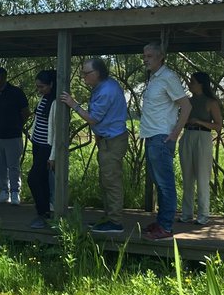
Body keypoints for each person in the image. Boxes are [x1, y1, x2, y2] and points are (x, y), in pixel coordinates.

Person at [59, 58, 129, 234]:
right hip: (107, 139)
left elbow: (93, 118)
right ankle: (109, 218)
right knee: (106, 180)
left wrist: (73, 104)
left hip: (113, 141)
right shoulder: (104, 86)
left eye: (86, 73)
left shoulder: (106, 91)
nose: (83, 77)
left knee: (111, 181)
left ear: (97, 73)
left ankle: (115, 222)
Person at [140, 43, 192, 242]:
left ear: (161, 57)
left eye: (150, 55)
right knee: (158, 182)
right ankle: (161, 222)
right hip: (151, 136)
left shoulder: (168, 77)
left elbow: (186, 106)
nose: (146, 59)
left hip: (162, 137)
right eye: (144, 55)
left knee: (165, 184)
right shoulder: (154, 78)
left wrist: (175, 133)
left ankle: (166, 226)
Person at [179, 71, 223, 225]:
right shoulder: (187, 102)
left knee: (203, 177)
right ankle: (186, 213)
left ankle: (203, 215)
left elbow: (218, 126)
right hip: (187, 136)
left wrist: (199, 121)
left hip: (203, 137)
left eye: (192, 81)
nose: (189, 84)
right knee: (187, 177)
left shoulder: (211, 102)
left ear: (201, 84)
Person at [0, 66, 30, 204]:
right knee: (0, 165)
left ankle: (15, 193)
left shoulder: (16, 92)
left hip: (13, 135)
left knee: (13, 166)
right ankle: (4, 192)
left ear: (3, 77)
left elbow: (26, 112)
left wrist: (17, 125)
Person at [27, 69, 58, 229]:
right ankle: (45, 214)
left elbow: (56, 131)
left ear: (51, 84)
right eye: (38, 87)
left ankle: (43, 212)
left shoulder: (55, 102)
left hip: (47, 147)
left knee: (32, 179)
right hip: (37, 145)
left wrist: (52, 156)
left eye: (42, 87)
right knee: (42, 180)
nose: (39, 90)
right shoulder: (44, 98)